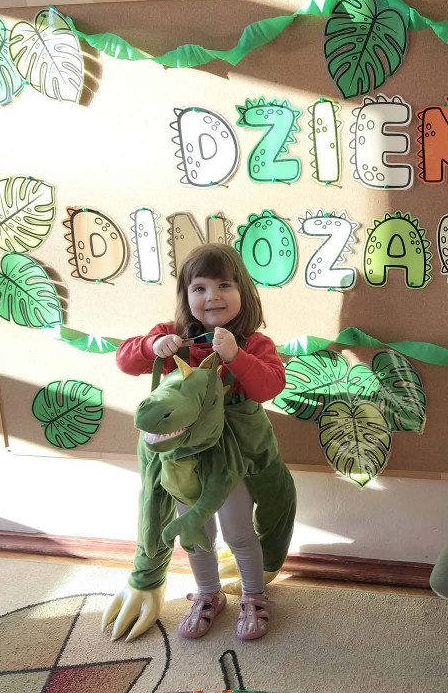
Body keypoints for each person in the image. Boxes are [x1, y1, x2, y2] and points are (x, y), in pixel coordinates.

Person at [117, 243, 290, 641]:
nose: (212, 296)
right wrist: (151, 346)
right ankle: (208, 595)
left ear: (243, 290)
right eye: (200, 288)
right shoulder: (173, 335)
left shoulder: (254, 343)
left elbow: (269, 386)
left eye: (224, 285)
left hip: (230, 458)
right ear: (186, 295)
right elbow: (126, 360)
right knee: (195, 533)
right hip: (183, 458)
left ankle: (254, 597)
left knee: (238, 531)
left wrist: (236, 356)